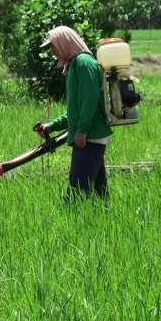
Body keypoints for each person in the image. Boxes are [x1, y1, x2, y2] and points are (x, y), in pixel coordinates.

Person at [35, 26, 112, 200]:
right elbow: (76, 110)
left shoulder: (84, 63)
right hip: (89, 135)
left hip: (90, 135)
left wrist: (82, 130)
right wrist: (52, 126)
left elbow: (89, 99)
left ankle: (76, 221)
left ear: (64, 42)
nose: (52, 51)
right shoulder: (75, 64)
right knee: (98, 194)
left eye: (53, 46)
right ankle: (103, 222)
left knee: (77, 193)